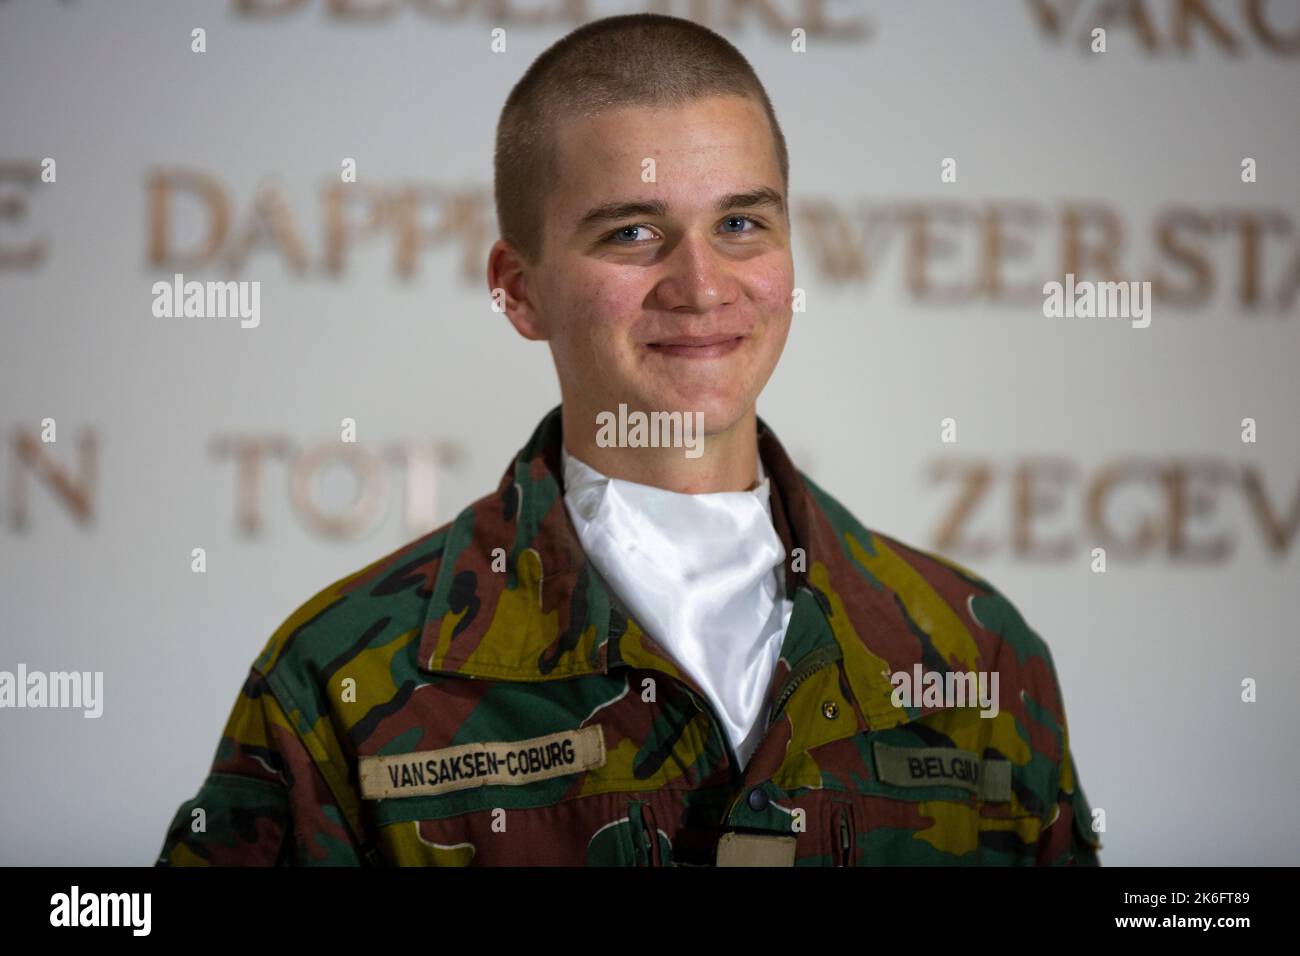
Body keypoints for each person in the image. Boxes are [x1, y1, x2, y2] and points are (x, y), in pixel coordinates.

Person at [157, 12, 1101, 867]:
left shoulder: (974, 656)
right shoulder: (347, 681)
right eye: (634, 234)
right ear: (518, 289)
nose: (701, 285)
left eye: (740, 223)